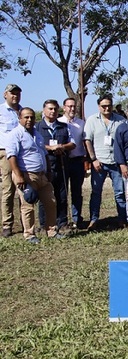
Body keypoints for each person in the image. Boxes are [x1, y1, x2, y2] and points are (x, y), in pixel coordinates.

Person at [6, 108, 66, 243]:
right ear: (20, 118)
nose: (29, 120)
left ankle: (51, 231)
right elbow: (12, 156)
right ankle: (29, 234)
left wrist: (49, 171)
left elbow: (44, 154)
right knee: (28, 204)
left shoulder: (37, 134)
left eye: (32, 117)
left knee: (51, 202)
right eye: (26, 117)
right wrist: (19, 175)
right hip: (26, 175)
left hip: (42, 175)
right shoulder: (15, 134)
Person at [83, 95, 127, 230]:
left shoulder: (121, 120)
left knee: (120, 192)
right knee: (96, 193)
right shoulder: (92, 120)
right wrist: (93, 159)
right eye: (103, 106)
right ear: (99, 107)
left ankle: (122, 219)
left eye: (109, 105)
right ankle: (94, 220)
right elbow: (87, 140)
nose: (107, 108)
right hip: (99, 162)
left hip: (116, 162)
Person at [36, 99, 76, 230]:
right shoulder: (37, 127)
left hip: (61, 165)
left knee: (62, 196)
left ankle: (62, 222)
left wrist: (62, 146)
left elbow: (73, 143)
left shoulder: (64, 126)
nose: (53, 111)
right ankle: (44, 225)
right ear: (44, 110)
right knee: (45, 197)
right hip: (45, 167)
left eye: (55, 109)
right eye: (50, 109)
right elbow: (35, 145)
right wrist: (50, 148)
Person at [58, 98, 86, 229]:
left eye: (74, 106)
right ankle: (62, 219)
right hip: (63, 162)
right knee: (62, 192)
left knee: (77, 192)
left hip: (77, 161)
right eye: (69, 106)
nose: (72, 109)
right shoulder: (59, 122)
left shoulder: (81, 123)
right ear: (64, 108)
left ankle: (77, 218)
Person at [0, 84, 23, 238]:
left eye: (17, 93)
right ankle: (7, 224)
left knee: (23, 189)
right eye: (12, 93)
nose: (15, 96)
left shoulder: (23, 111)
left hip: (22, 154)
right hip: (6, 153)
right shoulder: (1, 111)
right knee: (8, 190)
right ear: (5, 94)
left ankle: (26, 223)